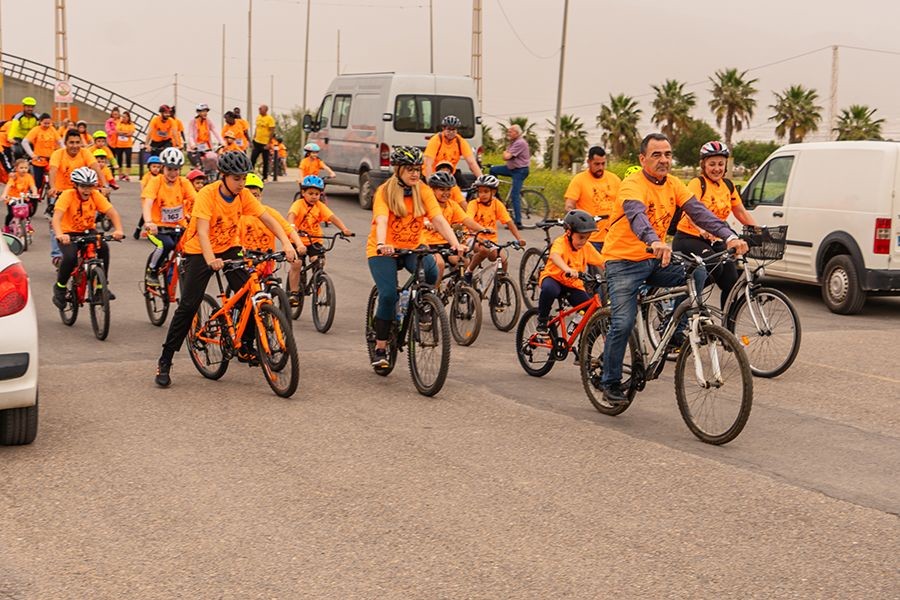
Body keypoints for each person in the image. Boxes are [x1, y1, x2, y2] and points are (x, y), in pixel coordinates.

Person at [599, 133, 749, 405]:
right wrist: (653, 240)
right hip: (623, 262)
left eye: (667, 154)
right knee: (622, 323)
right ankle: (609, 382)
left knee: (698, 269)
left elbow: (699, 212)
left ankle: (676, 328)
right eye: (656, 155)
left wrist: (729, 236)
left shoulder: (675, 184)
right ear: (642, 159)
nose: (663, 160)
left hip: (656, 260)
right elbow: (636, 215)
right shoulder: (632, 185)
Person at [154, 151, 298, 387]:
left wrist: (286, 242)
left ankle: (246, 346)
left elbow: (267, 219)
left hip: (230, 248)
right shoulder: (207, 194)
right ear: (223, 176)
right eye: (236, 178)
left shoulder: (243, 196)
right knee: (189, 305)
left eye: (244, 178)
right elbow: (201, 231)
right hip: (200, 251)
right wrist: (211, 259)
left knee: (251, 294)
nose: (241, 183)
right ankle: (165, 359)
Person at [367, 146, 465, 369]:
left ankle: (421, 305)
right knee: (389, 294)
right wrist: (383, 244)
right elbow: (381, 221)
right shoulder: (384, 191)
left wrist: (455, 243)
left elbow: (438, 219)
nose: (415, 174)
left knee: (431, 271)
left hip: (413, 246)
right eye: (410, 169)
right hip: (383, 250)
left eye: (418, 169)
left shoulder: (423, 190)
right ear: (398, 169)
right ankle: (381, 347)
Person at [673, 141, 758, 308]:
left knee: (731, 280)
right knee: (713, 267)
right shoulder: (698, 184)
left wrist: (759, 229)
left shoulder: (728, 185)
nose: (717, 168)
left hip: (716, 238)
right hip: (690, 237)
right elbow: (690, 210)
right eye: (712, 164)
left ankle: (727, 326)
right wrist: (702, 230)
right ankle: (680, 305)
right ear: (703, 165)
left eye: (721, 164)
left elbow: (740, 212)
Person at [51, 167, 125, 309]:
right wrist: (60, 235)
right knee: (70, 257)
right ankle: (60, 287)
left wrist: (119, 230)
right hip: (68, 233)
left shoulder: (95, 195)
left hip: (87, 231)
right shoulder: (67, 195)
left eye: (90, 186)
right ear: (76, 185)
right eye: (83, 186)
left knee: (103, 248)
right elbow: (56, 218)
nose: (87, 190)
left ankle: (100, 287)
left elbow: (112, 212)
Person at [535, 209, 605, 337]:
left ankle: (582, 343)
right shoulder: (560, 242)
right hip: (554, 278)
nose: (583, 241)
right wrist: (566, 269)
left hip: (573, 284)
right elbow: (555, 256)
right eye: (581, 237)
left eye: (587, 238)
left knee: (590, 309)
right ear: (569, 232)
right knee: (550, 290)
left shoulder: (586, 247)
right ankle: (542, 320)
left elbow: (603, 262)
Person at [285, 175, 352, 305]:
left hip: (314, 239)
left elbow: (332, 217)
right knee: (297, 264)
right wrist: (292, 226)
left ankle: (318, 283)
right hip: (297, 239)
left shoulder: (320, 206)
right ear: (303, 192)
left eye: (317, 194)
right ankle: (293, 293)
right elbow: (291, 215)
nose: (314, 196)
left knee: (319, 261)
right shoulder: (298, 204)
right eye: (310, 193)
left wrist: (344, 229)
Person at [141, 148, 196, 285]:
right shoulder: (156, 182)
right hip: (157, 228)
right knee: (165, 244)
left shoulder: (183, 182)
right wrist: (148, 222)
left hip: (179, 226)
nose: (173, 173)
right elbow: (147, 203)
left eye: (176, 169)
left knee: (191, 248)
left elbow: (197, 200)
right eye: (169, 169)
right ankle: (152, 270)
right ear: (163, 168)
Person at [240, 173, 306, 278]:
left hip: (267, 263)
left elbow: (288, 229)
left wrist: (299, 244)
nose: (254, 199)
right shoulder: (238, 214)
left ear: (260, 196)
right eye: (250, 196)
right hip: (246, 264)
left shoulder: (269, 213)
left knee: (271, 288)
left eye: (256, 195)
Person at [463, 174, 525, 283]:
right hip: (472, 237)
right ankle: (469, 270)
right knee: (484, 250)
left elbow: (509, 222)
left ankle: (500, 285)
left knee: (503, 260)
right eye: (480, 191)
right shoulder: (473, 204)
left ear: (494, 192)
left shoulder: (497, 205)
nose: (482, 194)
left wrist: (519, 238)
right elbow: (469, 221)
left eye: (486, 191)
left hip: (491, 241)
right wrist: (480, 232)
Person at [422, 171, 483, 281]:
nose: (446, 193)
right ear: (432, 190)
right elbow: (423, 220)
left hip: (447, 243)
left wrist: (483, 229)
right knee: (439, 264)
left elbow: (466, 220)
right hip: (429, 244)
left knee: (464, 261)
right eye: (442, 189)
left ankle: (457, 288)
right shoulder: (426, 204)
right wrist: (427, 224)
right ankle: (433, 293)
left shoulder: (452, 205)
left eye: (448, 189)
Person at [563, 146, 621, 252]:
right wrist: (576, 217)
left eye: (603, 164)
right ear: (589, 162)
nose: (601, 167)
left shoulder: (614, 179)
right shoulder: (579, 180)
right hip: (591, 237)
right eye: (597, 164)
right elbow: (569, 204)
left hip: (612, 236)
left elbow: (623, 203)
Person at [488, 124, 530, 228]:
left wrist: (505, 153)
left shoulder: (520, 143)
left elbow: (506, 156)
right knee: (493, 170)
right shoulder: (513, 142)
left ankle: (518, 222)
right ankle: (495, 192)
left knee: (515, 195)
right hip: (511, 169)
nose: (508, 133)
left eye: (510, 132)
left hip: (520, 170)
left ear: (516, 133)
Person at [423, 115, 482, 179]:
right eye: (448, 129)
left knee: (464, 186)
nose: (451, 132)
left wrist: (482, 179)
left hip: (449, 175)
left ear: (457, 130)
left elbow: (472, 163)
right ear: (443, 129)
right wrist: (429, 180)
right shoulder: (436, 140)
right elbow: (428, 164)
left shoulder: (460, 141)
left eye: (453, 130)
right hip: (432, 174)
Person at [22, 113, 62, 198]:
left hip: (51, 159)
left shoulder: (52, 129)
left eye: (49, 123)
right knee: (38, 181)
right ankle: (33, 195)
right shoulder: (36, 130)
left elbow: (60, 141)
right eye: (45, 123)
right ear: (40, 122)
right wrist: (32, 155)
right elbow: (24, 142)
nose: (47, 125)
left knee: (55, 178)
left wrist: (65, 151)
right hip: (39, 160)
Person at [2, 159, 37, 231]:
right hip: (12, 198)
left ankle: (27, 224)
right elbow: (8, 186)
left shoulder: (29, 176)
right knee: (11, 213)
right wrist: (4, 194)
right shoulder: (14, 177)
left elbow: (33, 186)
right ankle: (6, 227)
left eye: (26, 168)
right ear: (16, 168)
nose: (24, 170)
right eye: (21, 168)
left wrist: (34, 193)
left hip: (23, 197)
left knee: (27, 212)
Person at [135, 155, 164, 238]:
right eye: (154, 166)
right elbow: (142, 185)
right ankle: (138, 228)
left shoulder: (161, 177)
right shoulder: (147, 176)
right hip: (148, 197)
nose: (156, 169)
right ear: (149, 167)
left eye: (158, 167)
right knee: (146, 213)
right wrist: (145, 194)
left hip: (157, 198)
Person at [250, 104, 276, 180]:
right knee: (253, 159)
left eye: (260, 109)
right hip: (257, 141)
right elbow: (256, 128)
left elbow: (272, 131)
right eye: (259, 109)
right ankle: (250, 174)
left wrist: (269, 143)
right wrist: (254, 138)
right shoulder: (258, 117)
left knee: (265, 160)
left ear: (265, 110)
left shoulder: (270, 119)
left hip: (265, 143)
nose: (259, 110)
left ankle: (265, 177)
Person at [114, 112, 136, 180]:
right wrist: (125, 133)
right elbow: (117, 131)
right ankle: (120, 174)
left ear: (128, 117)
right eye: (122, 117)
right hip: (119, 145)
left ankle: (127, 174)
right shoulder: (119, 123)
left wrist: (122, 133)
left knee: (128, 160)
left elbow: (131, 133)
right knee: (119, 160)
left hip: (128, 145)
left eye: (125, 117)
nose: (123, 118)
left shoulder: (131, 124)